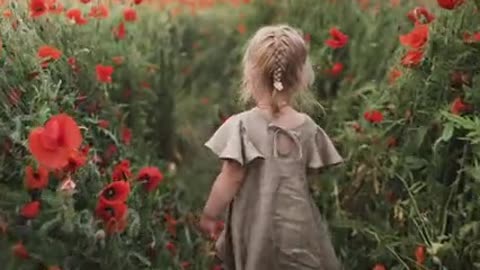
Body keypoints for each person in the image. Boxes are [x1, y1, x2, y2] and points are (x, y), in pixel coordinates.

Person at [199, 24, 343, 270]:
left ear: (251, 73)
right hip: (299, 226)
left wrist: (210, 214)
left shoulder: (242, 125)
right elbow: (313, 177)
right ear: (301, 77)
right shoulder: (307, 127)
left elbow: (231, 177)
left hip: (257, 226)